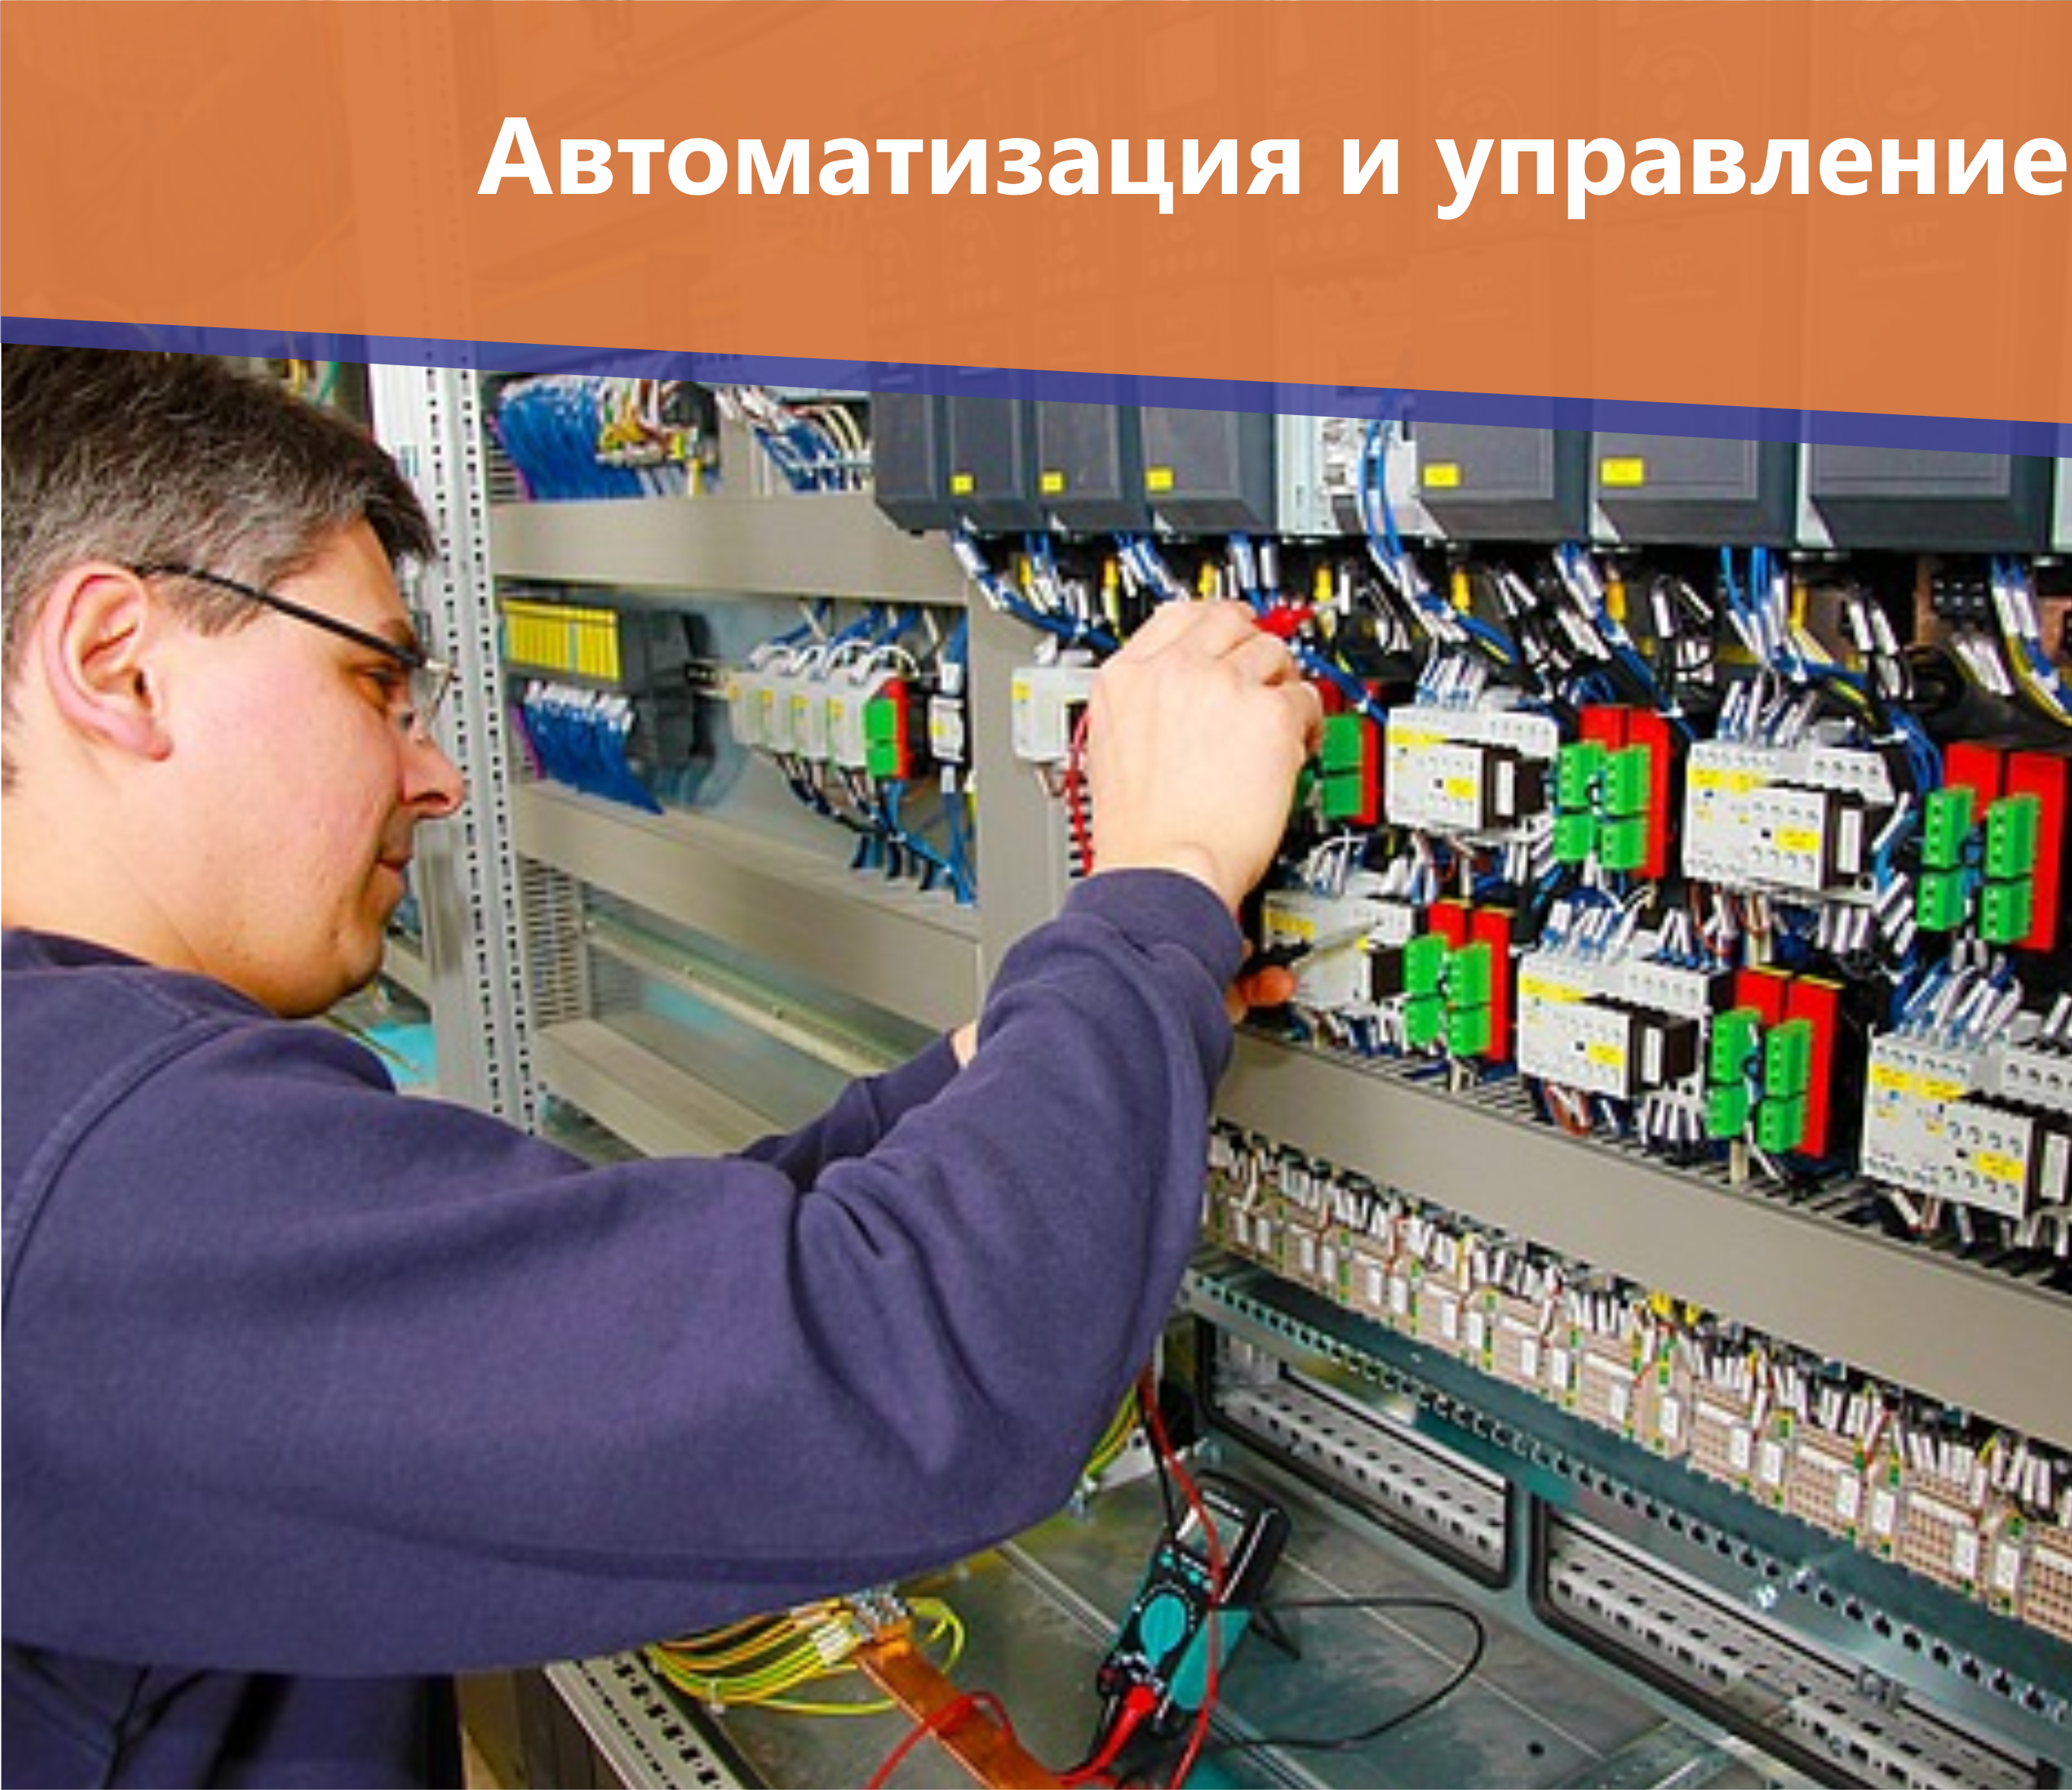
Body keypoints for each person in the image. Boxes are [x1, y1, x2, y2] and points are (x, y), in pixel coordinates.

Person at [0, 345, 1324, 1788]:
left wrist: (1014, 1053)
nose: (438, 774)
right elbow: (910, 1375)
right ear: (115, 660)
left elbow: (650, 1303)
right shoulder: (101, 1175)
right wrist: (1166, 878)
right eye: (377, 679)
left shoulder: (64, 1105)